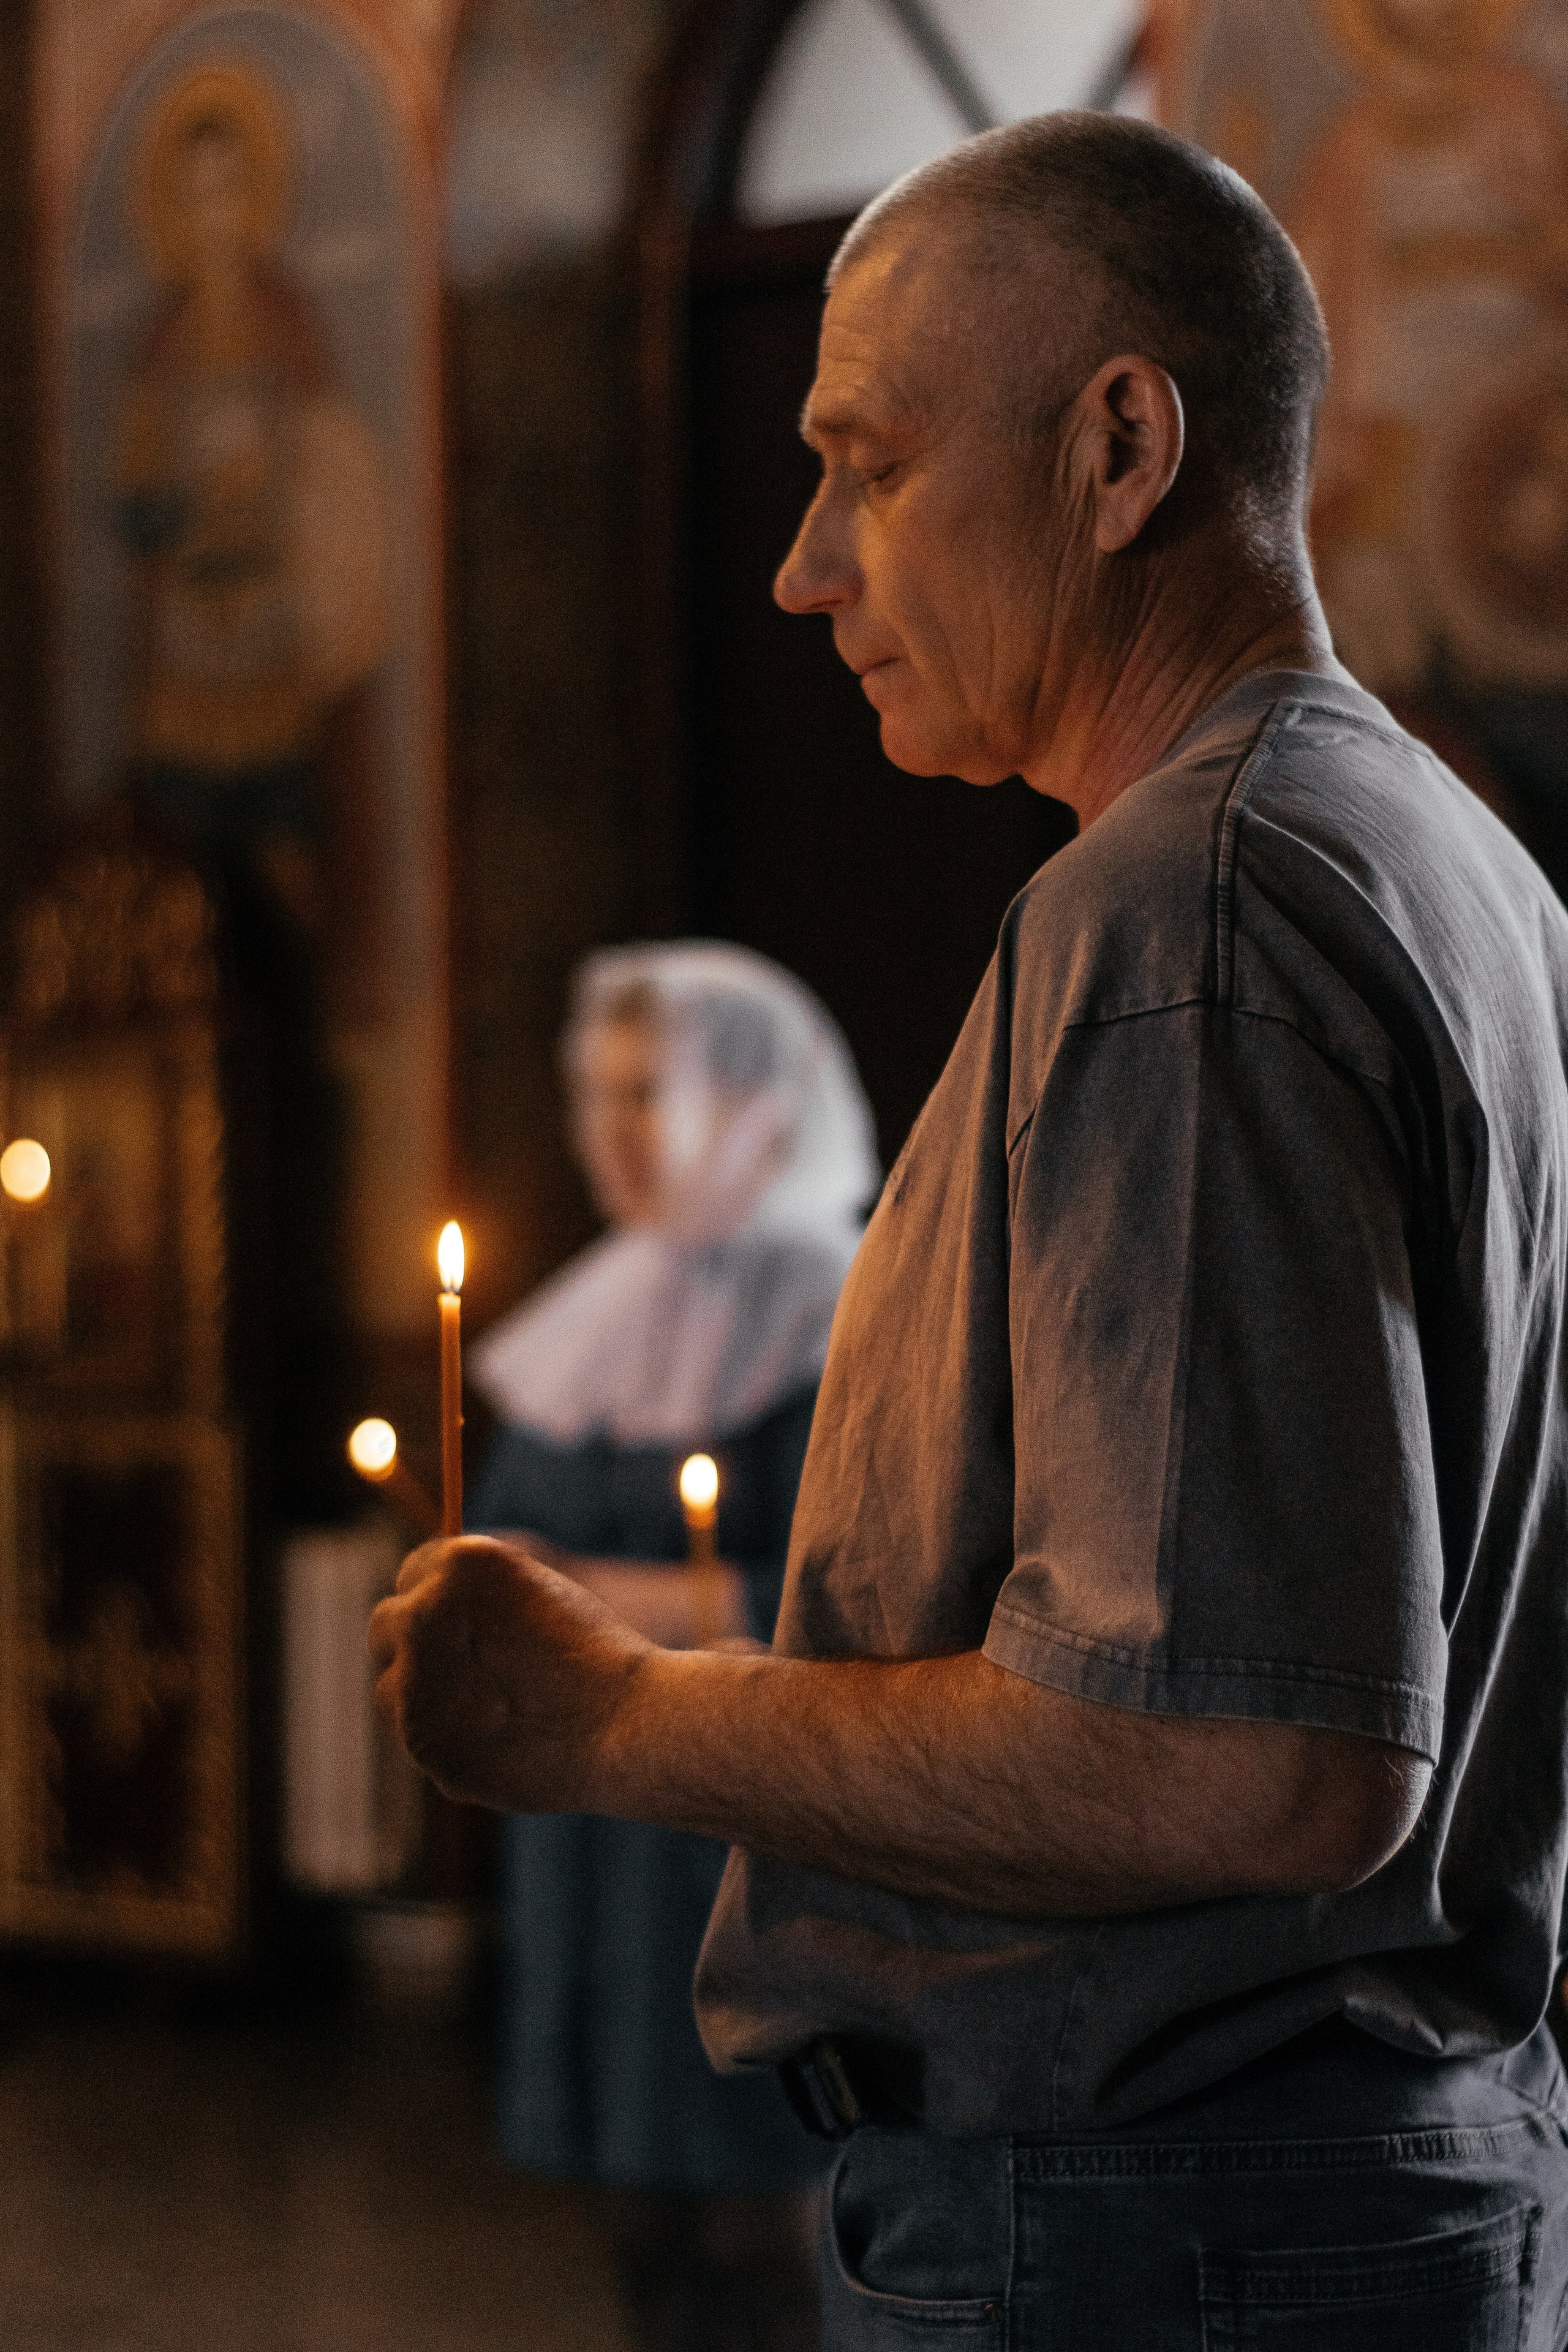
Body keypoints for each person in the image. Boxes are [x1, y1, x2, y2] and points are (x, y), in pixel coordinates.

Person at [373, 113, 1568, 2346]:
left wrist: (617, 1716)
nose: (805, 567)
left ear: (1122, 444)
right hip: (1327, 2185)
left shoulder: (1181, 907)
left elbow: (1254, 1749)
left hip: (1158, 2230)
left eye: (874, 464)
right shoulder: (1431, 849)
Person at [466, 942, 876, 2351]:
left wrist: (580, 1594)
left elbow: (850, 1588)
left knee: (761, 2233)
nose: (610, 1130)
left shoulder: (843, 1312)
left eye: (650, 1093)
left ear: (760, 1107)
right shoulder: (594, 1309)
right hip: (597, 1840)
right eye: (595, 1092)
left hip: (734, 1819)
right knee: (637, 2221)